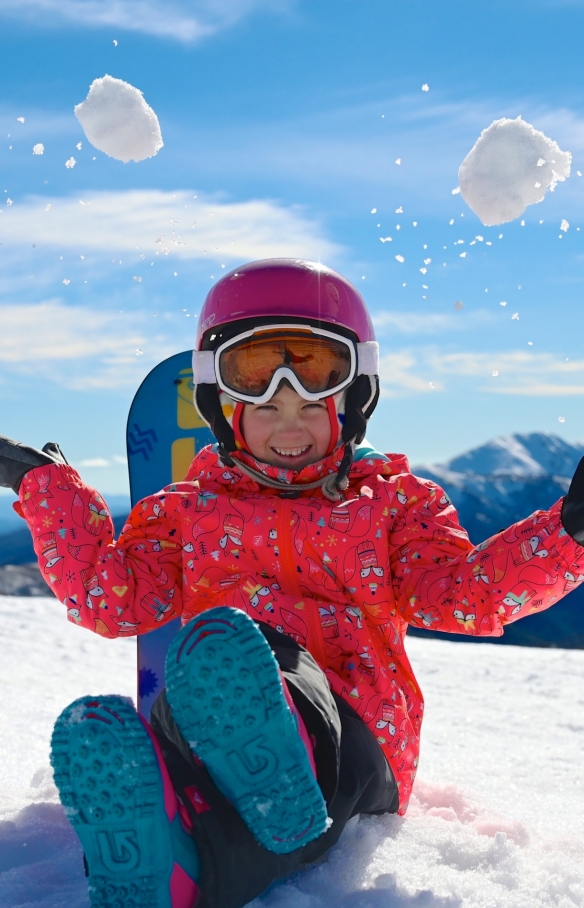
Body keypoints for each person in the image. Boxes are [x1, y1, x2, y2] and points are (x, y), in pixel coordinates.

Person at [1, 258, 584, 908]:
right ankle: (172, 861)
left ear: (355, 401)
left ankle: (275, 751)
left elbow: (467, 594)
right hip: (210, 727)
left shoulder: (394, 506)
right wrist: (47, 490)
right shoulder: (185, 510)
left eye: (311, 404)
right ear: (221, 409)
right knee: (197, 715)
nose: (288, 425)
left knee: (246, 653)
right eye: (264, 405)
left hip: (359, 739)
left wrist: (569, 534)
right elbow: (111, 599)